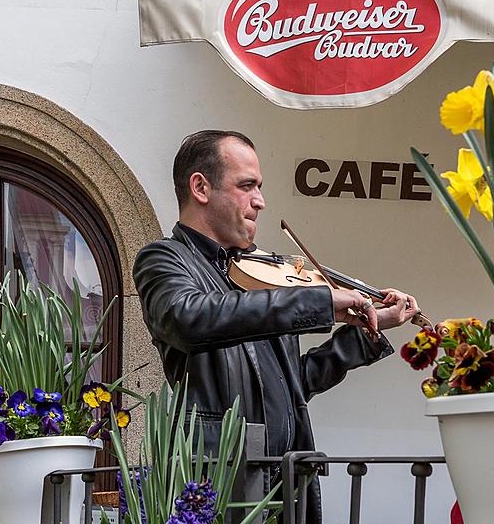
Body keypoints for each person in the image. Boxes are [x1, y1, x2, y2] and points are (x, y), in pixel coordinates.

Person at [132, 130, 422, 523]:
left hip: (285, 479)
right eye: (246, 185)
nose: (260, 201)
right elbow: (189, 319)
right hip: (219, 481)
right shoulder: (164, 260)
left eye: (259, 187)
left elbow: (295, 382)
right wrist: (317, 301)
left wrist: (367, 332)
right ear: (200, 187)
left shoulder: (260, 278)